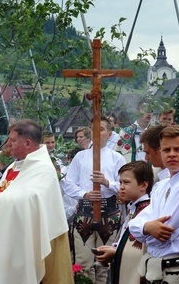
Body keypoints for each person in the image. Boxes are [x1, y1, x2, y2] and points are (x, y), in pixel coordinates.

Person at [0, 119, 73, 284]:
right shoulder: (15, 165)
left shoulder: (43, 168)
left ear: (27, 143)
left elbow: (34, 201)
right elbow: (8, 191)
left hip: (25, 241)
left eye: (12, 140)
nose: (8, 144)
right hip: (4, 235)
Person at [128, 125, 179, 283]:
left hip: (178, 270)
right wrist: (146, 227)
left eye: (178, 149)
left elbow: (162, 235)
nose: (172, 154)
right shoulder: (162, 185)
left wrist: (146, 230)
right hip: (156, 268)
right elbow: (136, 224)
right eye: (167, 150)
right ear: (160, 153)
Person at [64, 116, 127, 284]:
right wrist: (85, 194)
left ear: (109, 133)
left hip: (109, 213)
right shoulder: (80, 157)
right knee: (83, 263)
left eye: (101, 129)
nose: (97, 133)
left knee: (103, 264)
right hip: (84, 213)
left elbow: (123, 186)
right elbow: (68, 184)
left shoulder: (117, 158)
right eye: (94, 130)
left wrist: (107, 182)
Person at [95, 161, 154, 284]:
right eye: (120, 182)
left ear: (143, 185)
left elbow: (139, 251)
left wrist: (116, 252)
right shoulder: (133, 208)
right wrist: (114, 248)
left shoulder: (147, 212)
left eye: (126, 182)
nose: (121, 186)